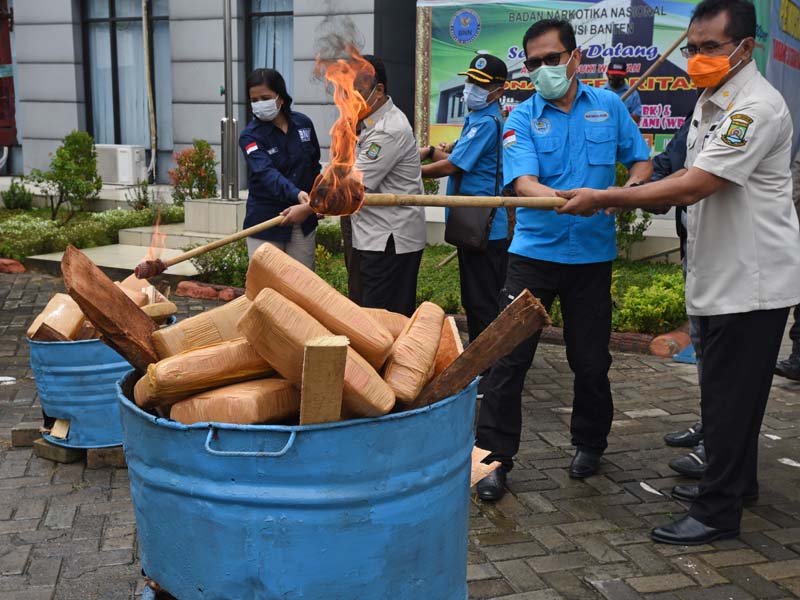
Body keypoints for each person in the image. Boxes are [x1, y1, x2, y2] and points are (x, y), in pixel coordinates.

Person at [556, 0, 800, 545]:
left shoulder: (755, 107)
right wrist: (633, 190)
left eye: (710, 48)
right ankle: (737, 485)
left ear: (745, 48)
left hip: (751, 283)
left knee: (730, 399)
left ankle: (718, 512)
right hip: (720, 275)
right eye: (692, 48)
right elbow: (674, 173)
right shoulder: (712, 102)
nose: (697, 58)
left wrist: (608, 196)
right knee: (724, 398)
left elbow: (695, 184)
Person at [474, 18, 652, 502]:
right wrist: (562, 198)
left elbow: (641, 159)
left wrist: (626, 191)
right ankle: (491, 460)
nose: (542, 70)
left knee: (591, 361)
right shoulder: (521, 118)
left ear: (575, 58)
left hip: (592, 257)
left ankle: (590, 443)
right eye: (533, 63)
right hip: (533, 255)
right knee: (507, 362)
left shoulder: (610, 106)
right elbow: (524, 183)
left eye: (552, 59)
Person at [419, 53, 510, 342]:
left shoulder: (486, 122)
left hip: (483, 225)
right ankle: (486, 362)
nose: (472, 87)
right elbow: (459, 157)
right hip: (473, 222)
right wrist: (433, 153)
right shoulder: (478, 118)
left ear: (499, 90)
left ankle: (487, 369)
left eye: (480, 84)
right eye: (471, 80)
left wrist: (413, 171)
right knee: (477, 297)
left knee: (481, 301)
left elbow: (454, 165)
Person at [349, 55, 427, 317]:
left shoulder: (388, 129)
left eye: (356, 93)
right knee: (371, 315)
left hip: (389, 241)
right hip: (374, 235)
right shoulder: (368, 122)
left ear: (379, 90)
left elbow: (354, 185)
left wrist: (310, 206)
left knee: (384, 319)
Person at [239, 68, 321, 269]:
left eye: (265, 97)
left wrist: (317, 199)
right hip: (266, 222)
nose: (260, 104)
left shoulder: (303, 124)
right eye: (254, 100)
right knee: (268, 287)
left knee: (302, 285)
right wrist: (297, 194)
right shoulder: (250, 136)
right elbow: (265, 172)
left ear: (280, 97)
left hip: (303, 222)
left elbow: (314, 166)